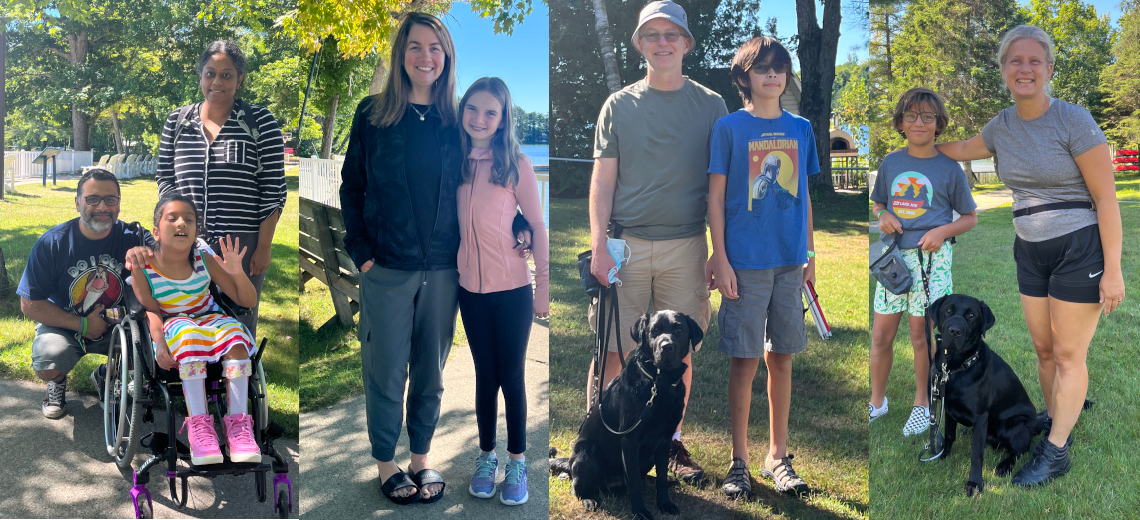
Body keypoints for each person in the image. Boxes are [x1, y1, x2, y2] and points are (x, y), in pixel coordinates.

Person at [934, 25, 1124, 486]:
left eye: (1034, 60)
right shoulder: (1001, 125)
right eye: (1015, 61)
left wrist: (1113, 269)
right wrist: (918, 144)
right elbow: (959, 149)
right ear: (1003, 70)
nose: (1025, 68)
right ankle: (1061, 425)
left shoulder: (1073, 120)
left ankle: (1055, 451)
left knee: (1068, 353)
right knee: (1043, 350)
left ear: (1049, 69)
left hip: (1079, 247)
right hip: (1030, 250)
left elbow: (1107, 199)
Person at [587, 0, 728, 484]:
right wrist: (599, 245)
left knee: (679, 354)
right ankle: (601, 439)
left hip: (687, 245)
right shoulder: (618, 105)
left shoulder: (712, 105)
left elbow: (720, 185)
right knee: (612, 350)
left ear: (687, 43)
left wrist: (718, 251)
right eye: (652, 35)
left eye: (672, 35)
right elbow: (602, 182)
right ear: (639, 45)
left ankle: (667, 444)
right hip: (624, 246)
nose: (662, 43)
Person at [339, 12, 462, 505]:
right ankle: (387, 461)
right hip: (386, 268)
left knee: (431, 371)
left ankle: (421, 458)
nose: (425, 56)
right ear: (400, 54)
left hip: (445, 269)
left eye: (435, 47)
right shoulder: (371, 115)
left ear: (446, 56)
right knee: (387, 370)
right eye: (415, 46)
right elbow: (352, 187)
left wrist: (519, 223)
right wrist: (363, 254)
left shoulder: (457, 121)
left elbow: (489, 181)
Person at [706, 36, 817, 498]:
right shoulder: (728, 128)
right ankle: (739, 461)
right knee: (745, 362)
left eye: (779, 68)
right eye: (762, 68)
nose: (772, 75)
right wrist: (721, 257)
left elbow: (805, 196)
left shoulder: (802, 128)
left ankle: (778, 455)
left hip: (791, 264)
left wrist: (810, 255)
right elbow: (714, 197)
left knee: (782, 359)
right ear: (744, 78)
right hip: (745, 265)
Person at [455, 77, 549, 506]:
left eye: (490, 112)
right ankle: (486, 457)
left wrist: (542, 286)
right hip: (469, 292)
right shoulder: (454, 160)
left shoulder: (516, 165)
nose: (479, 118)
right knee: (485, 376)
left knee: (511, 376)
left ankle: (517, 461)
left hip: (512, 290)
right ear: (462, 111)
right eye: (472, 109)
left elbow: (537, 223)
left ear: (503, 117)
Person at [156, 40, 287, 340]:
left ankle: (241, 383)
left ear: (240, 79)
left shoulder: (259, 122)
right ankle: (194, 381)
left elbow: (273, 189)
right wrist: (174, 232)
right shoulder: (178, 122)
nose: (217, 81)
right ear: (200, 76)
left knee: (239, 321)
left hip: (241, 247)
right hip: (185, 243)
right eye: (210, 73)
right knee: (187, 318)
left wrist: (264, 247)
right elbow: (165, 180)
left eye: (227, 75)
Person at [868, 87, 978, 436]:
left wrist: (943, 231)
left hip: (932, 261)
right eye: (912, 116)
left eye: (928, 117)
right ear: (900, 122)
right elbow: (879, 203)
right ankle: (877, 401)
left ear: (938, 124)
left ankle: (922, 403)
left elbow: (970, 217)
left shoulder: (949, 169)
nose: (920, 122)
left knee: (922, 336)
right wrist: (883, 214)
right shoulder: (891, 163)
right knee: (882, 334)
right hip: (894, 261)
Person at [127, 193, 260, 466]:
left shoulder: (203, 258)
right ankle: (200, 429)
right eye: (172, 218)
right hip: (172, 322)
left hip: (209, 317)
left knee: (236, 338)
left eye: (189, 220)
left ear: (197, 231)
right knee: (188, 337)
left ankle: (238, 428)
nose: (181, 224)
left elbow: (247, 301)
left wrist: (236, 271)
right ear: (156, 231)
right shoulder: (144, 266)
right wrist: (159, 343)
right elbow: (150, 310)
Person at [17, 168, 150, 419]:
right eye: (92, 199)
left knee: (151, 349)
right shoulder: (52, 243)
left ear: (119, 204)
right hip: (66, 323)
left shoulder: (134, 238)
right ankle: (56, 382)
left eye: (111, 199)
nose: (102, 206)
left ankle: (105, 376)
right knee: (49, 363)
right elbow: (29, 303)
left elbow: (172, 258)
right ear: (78, 202)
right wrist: (83, 324)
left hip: (117, 322)